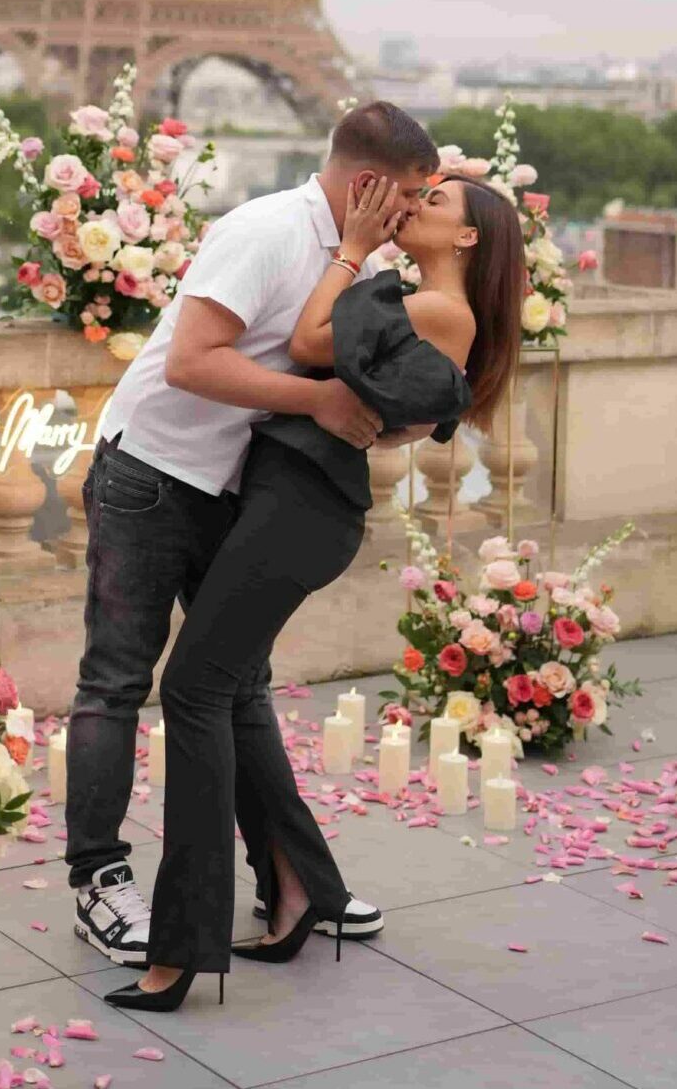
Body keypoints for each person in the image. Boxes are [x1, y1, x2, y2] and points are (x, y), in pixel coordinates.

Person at [107, 167, 526, 1011]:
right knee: (221, 694)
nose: (415, 206)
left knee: (193, 690)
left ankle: (181, 950)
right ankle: (304, 893)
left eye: (433, 203)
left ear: (468, 239)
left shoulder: (438, 307)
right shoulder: (419, 301)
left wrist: (349, 251)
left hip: (296, 508)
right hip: (289, 501)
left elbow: (306, 342)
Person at [67, 103, 442, 970]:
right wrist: (320, 401)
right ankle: (97, 882)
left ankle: (294, 881)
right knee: (117, 681)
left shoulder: (358, 260)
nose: (419, 212)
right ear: (368, 185)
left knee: (237, 687)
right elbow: (192, 361)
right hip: (150, 475)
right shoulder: (266, 229)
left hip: (236, 488)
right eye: (413, 195)